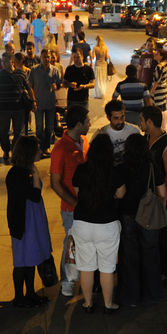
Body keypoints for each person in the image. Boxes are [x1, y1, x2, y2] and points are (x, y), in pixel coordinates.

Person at [71, 135, 126, 313]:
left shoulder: (81, 170)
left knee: (86, 267)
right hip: (107, 225)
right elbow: (121, 194)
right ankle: (109, 305)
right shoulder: (115, 172)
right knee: (107, 267)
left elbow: (77, 192)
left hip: (82, 224)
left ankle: (88, 304)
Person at [116, 133, 166, 307]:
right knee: (151, 253)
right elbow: (162, 193)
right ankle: (154, 293)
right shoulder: (152, 168)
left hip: (127, 215)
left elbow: (120, 194)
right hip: (149, 217)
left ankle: (131, 297)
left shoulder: (121, 169)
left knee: (129, 256)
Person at [6, 135, 53, 308]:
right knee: (21, 261)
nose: (41, 151)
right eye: (38, 149)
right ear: (29, 152)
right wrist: (35, 174)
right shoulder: (17, 174)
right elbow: (34, 195)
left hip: (32, 221)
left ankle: (31, 293)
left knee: (31, 258)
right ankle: (19, 297)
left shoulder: (25, 171)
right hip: (23, 224)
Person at [50, 105, 91, 298]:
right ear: (78, 124)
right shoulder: (60, 149)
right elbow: (55, 183)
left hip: (87, 205)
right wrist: (75, 204)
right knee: (71, 245)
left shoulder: (84, 141)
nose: (90, 124)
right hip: (71, 208)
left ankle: (83, 277)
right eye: (87, 121)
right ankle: (67, 280)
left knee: (85, 243)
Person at [140, 106, 167, 287]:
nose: (139, 123)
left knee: (165, 232)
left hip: (164, 197)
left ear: (149, 121)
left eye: (141, 120)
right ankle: (158, 268)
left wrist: (164, 200)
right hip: (151, 196)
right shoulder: (147, 138)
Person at [0, 53, 34, 164]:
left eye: (5, 61)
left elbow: (29, 88)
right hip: (4, 109)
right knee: (2, 131)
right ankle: (6, 149)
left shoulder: (21, 73)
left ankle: (14, 151)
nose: (3, 64)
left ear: (12, 62)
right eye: (2, 62)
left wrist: (33, 101)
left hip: (18, 109)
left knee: (18, 132)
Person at [29, 49, 63, 158]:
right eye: (44, 57)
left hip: (50, 102)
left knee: (49, 127)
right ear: (41, 58)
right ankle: (39, 147)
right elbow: (30, 86)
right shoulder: (34, 70)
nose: (47, 59)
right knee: (39, 126)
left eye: (48, 57)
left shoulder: (55, 70)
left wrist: (55, 86)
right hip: (38, 102)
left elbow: (59, 84)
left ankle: (46, 146)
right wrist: (33, 100)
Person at [94, 100, 141, 164]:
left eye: (122, 117)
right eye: (116, 118)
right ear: (108, 118)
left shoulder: (134, 131)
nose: (120, 121)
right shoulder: (101, 133)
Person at [150, 48, 167, 116]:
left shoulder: (159, 67)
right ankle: (163, 126)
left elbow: (156, 81)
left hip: (158, 90)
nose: (155, 55)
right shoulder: (166, 65)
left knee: (157, 109)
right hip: (164, 88)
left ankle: (159, 124)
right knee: (163, 108)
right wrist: (164, 84)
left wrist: (153, 91)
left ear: (161, 57)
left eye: (157, 54)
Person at [92, 36, 111, 100]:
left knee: (98, 80)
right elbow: (107, 57)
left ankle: (99, 94)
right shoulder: (105, 48)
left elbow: (93, 57)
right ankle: (102, 92)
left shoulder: (95, 48)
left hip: (97, 65)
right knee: (103, 79)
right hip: (104, 66)